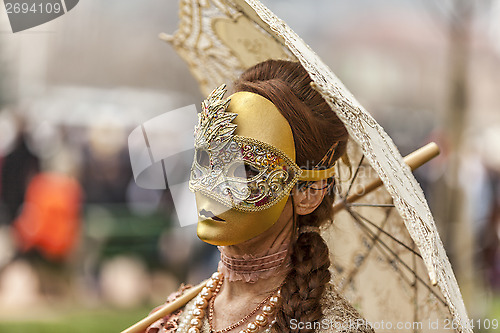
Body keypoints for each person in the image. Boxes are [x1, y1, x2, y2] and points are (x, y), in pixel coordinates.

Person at [143, 60, 374, 333]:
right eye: (206, 159)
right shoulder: (175, 316)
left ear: (308, 193)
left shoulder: (336, 329)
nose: (210, 188)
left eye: (245, 169)